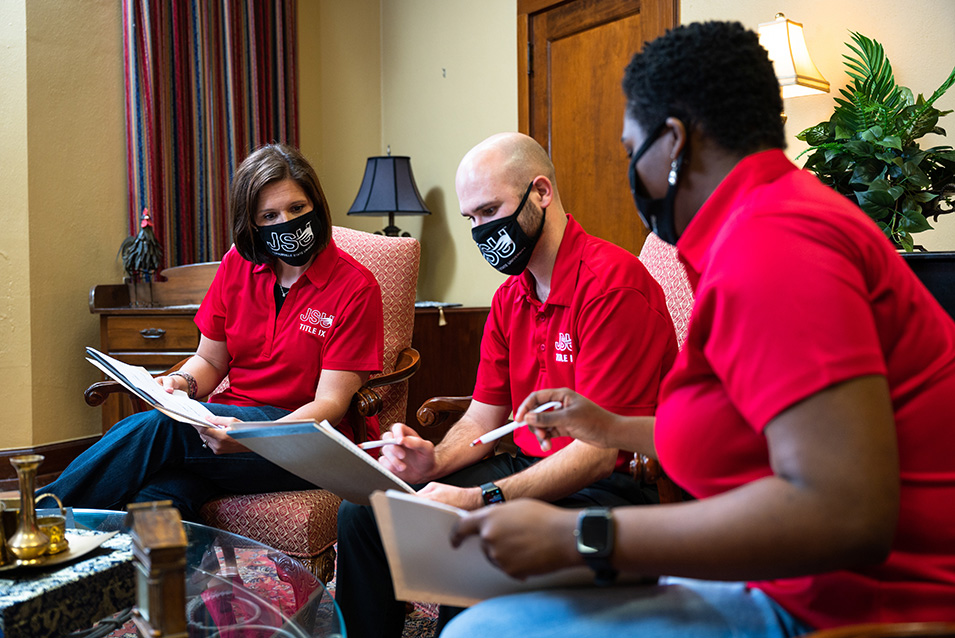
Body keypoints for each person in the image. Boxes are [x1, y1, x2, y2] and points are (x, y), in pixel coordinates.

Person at [443, 21, 955, 638]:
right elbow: (751, 424)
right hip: (779, 577)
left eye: (634, 149)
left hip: (848, 605)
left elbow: (846, 514)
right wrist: (611, 426)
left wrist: (583, 536)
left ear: (674, 143)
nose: (633, 170)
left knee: (485, 630)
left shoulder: (775, 246)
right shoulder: (757, 225)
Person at [335, 131, 679, 638]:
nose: (482, 231)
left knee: (469, 535)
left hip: (608, 487)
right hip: (525, 465)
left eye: (491, 210)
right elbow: (481, 416)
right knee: (366, 513)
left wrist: (482, 498)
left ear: (541, 192)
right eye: (471, 218)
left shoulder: (613, 287)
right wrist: (435, 460)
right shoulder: (509, 298)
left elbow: (600, 451)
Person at [40, 143, 384, 522]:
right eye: (269, 215)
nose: (286, 223)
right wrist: (181, 384)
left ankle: (33, 519)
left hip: (304, 443)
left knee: (162, 429)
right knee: (158, 499)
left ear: (316, 204)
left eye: (297, 209)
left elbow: (330, 406)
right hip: (228, 424)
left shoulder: (356, 287)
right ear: (251, 223)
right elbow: (209, 359)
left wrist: (254, 438)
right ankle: (153, 580)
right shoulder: (238, 263)